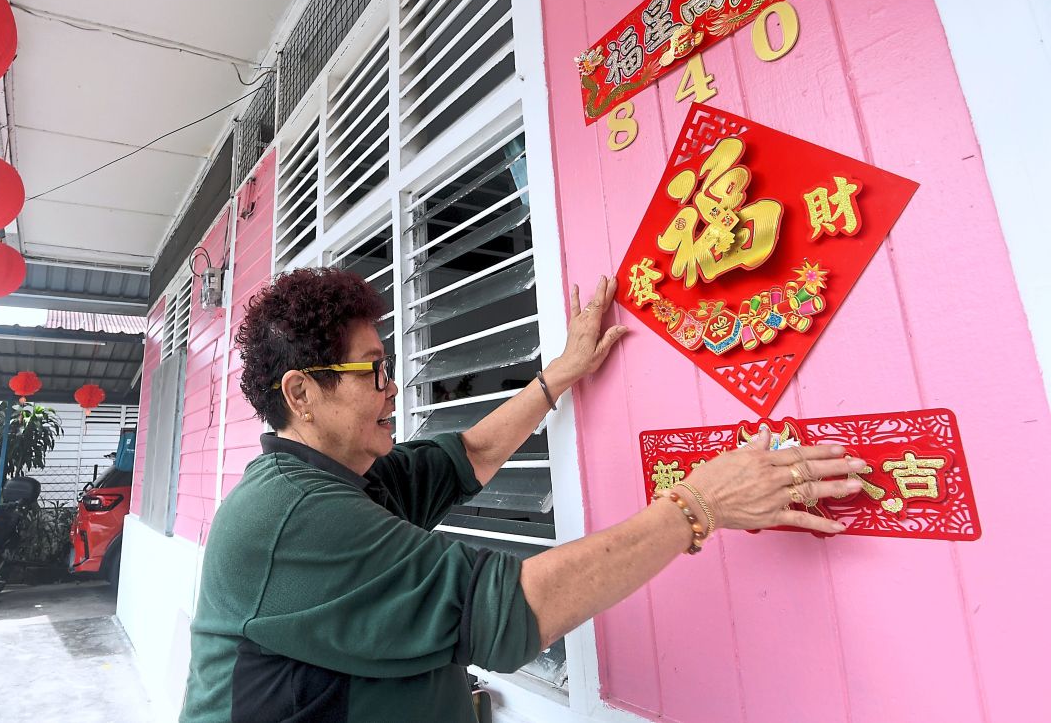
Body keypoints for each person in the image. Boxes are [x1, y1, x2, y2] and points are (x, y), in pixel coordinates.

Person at [180, 268, 865, 723]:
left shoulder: (355, 478)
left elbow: (470, 454)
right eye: (374, 370)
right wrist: (700, 505)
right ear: (301, 393)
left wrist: (558, 376)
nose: (394, 387)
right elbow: (510, 611)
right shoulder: (290, 516)